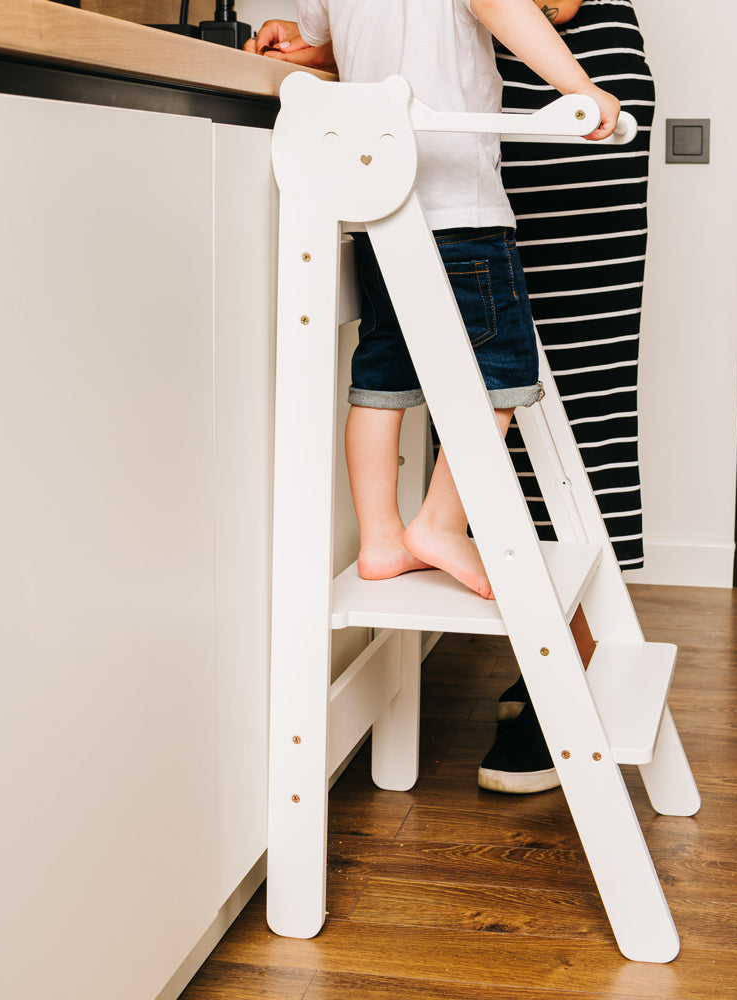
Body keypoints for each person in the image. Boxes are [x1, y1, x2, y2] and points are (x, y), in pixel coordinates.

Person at [247, 2, 620, 602]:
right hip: (460, 209)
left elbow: (319, 38)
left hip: (378, 204)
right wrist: (580, 88)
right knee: (503, 371)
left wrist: (294, 40)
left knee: (382, 371)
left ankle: (380, 538)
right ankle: (440, 523)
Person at [478, 0, 657, 792]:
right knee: (494, 376)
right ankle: (551, 649)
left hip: (566, 71)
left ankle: (572, 663)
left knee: (575, 386)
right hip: (507, 74)